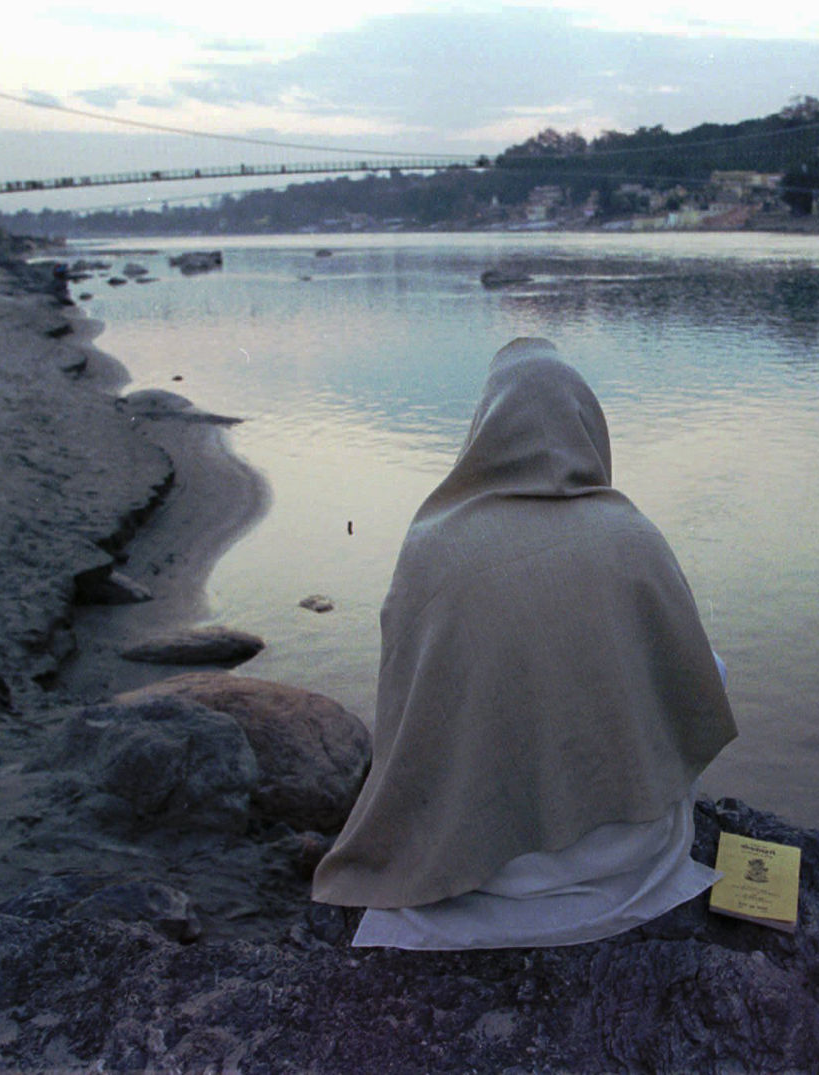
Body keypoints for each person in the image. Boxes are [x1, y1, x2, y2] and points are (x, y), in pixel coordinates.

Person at [311, 337, 737, 949]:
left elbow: (408, 718)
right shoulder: (634, 534)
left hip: (485, 879)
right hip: (631, 861)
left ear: (484, 431)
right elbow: (695, 686)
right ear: (589, 427)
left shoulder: (434, 547)